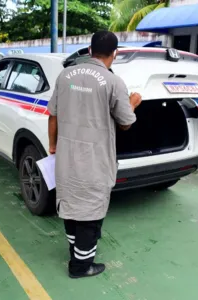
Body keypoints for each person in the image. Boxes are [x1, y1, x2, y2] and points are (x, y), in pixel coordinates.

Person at [47, 30, 142, 278]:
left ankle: (75, 251)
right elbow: (125, 123)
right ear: (115, 54)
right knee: (91, 211)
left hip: (66, 155)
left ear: (89, 50)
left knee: (69, 205)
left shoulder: (65, 75)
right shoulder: (113, 82)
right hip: (95, 159)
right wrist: (133, 102)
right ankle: (81, 266)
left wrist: (53, 145)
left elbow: (53, 114)